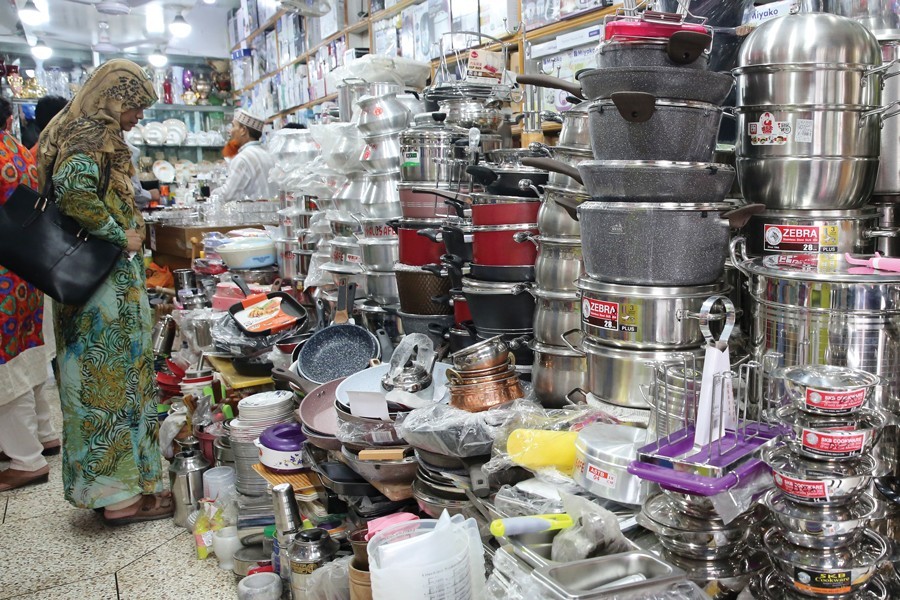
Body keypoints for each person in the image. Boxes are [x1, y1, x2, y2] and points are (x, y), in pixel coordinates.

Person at [37, 59, 172, 524]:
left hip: (93, 287)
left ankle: (117, 493)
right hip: (102, 294)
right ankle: (121, 501)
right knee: (108, 387)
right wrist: (121, 233)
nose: (137, 116)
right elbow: (73, 191)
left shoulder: (75, 128)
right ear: (113, 97)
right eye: (134, 106)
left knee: (102, 386)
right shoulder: (92, 132)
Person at [0, 97, 59, 491]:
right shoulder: (18, 151)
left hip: (2, 272)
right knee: (29, 351)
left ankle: (25, 458)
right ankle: (44, 434)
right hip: (25, 269)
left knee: (5, 366)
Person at [213, 109, 274, 201]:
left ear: (243, 130)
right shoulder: (268, 153)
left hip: (257, 213)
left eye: (233, 126)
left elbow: (227, 195)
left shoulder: (243, 158)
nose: (230, 131)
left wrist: (212, 194)